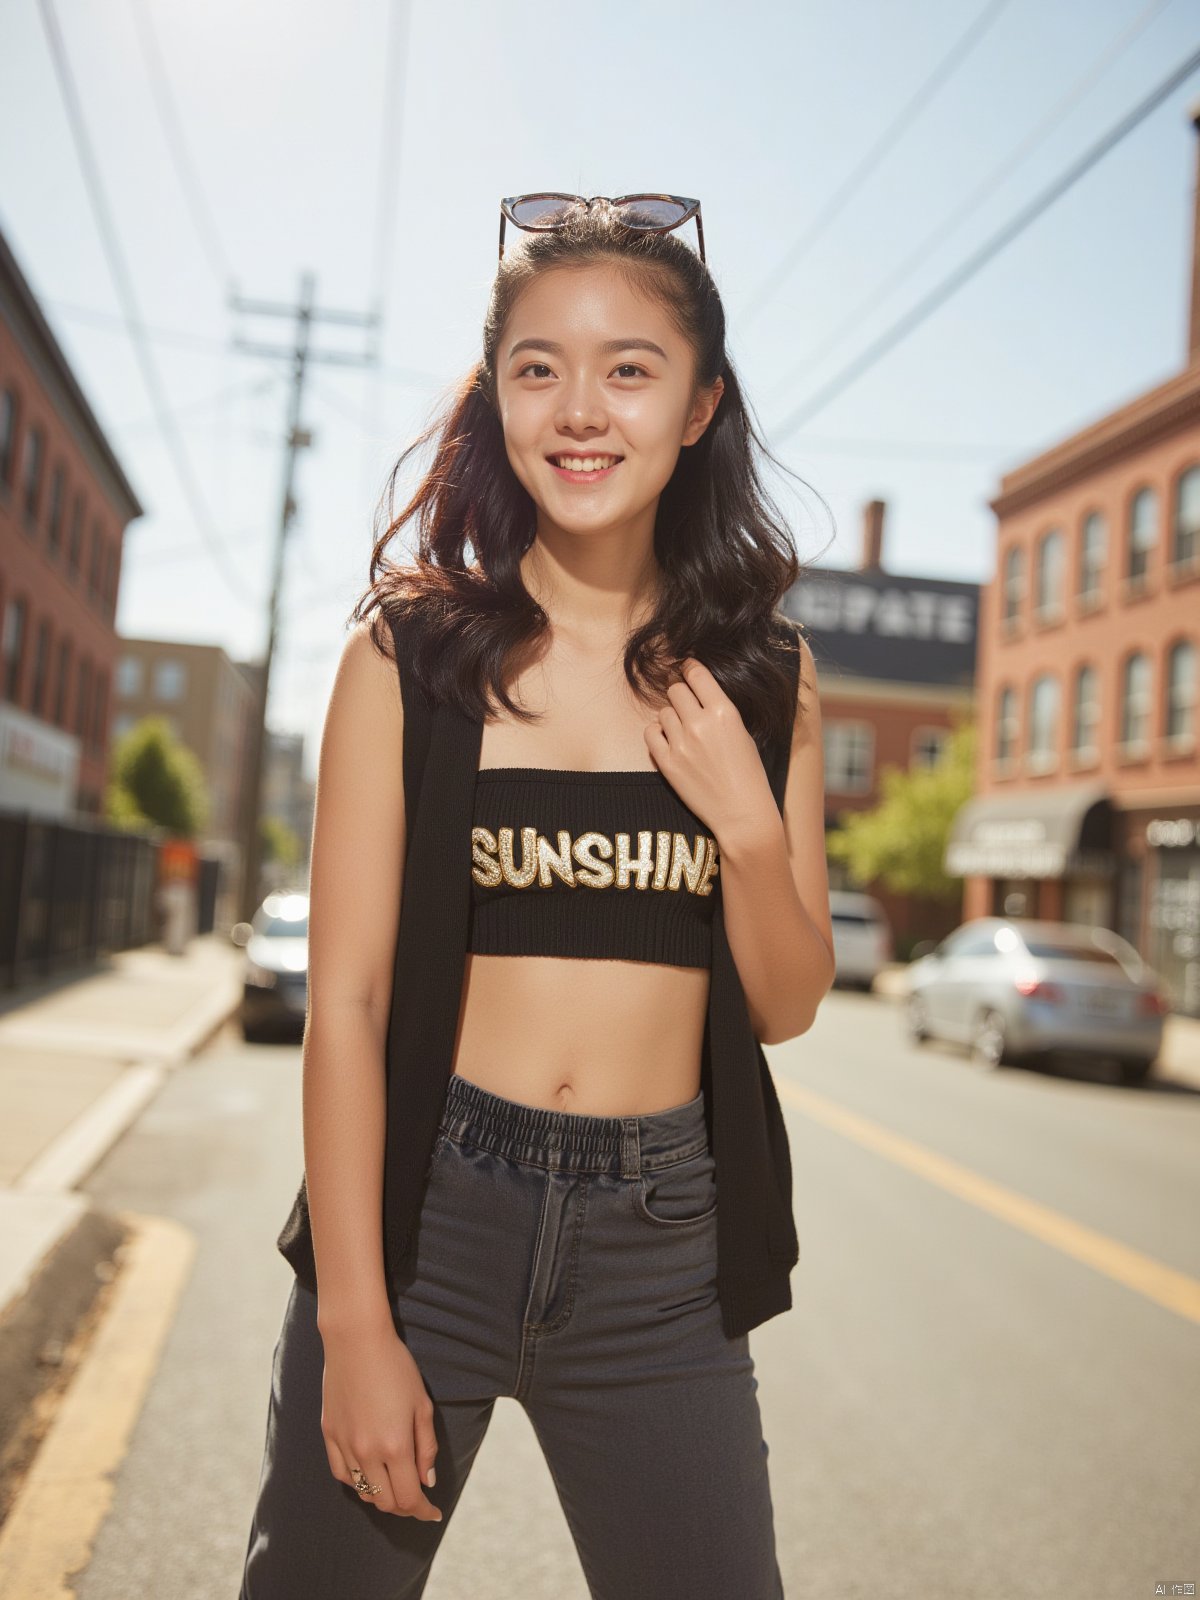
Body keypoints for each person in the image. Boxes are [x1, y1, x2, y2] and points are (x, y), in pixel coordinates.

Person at [239, 193, 835, 1600]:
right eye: (538, 366)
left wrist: (747, 828)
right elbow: (352, 1007)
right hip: (426, 1217)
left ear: (699, 408)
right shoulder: (409, 659)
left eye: (631, 368)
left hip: (662, 1257)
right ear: (496, 391)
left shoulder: (764, 683)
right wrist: (359, 1325)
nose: (582, 408)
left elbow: (787, 1004)